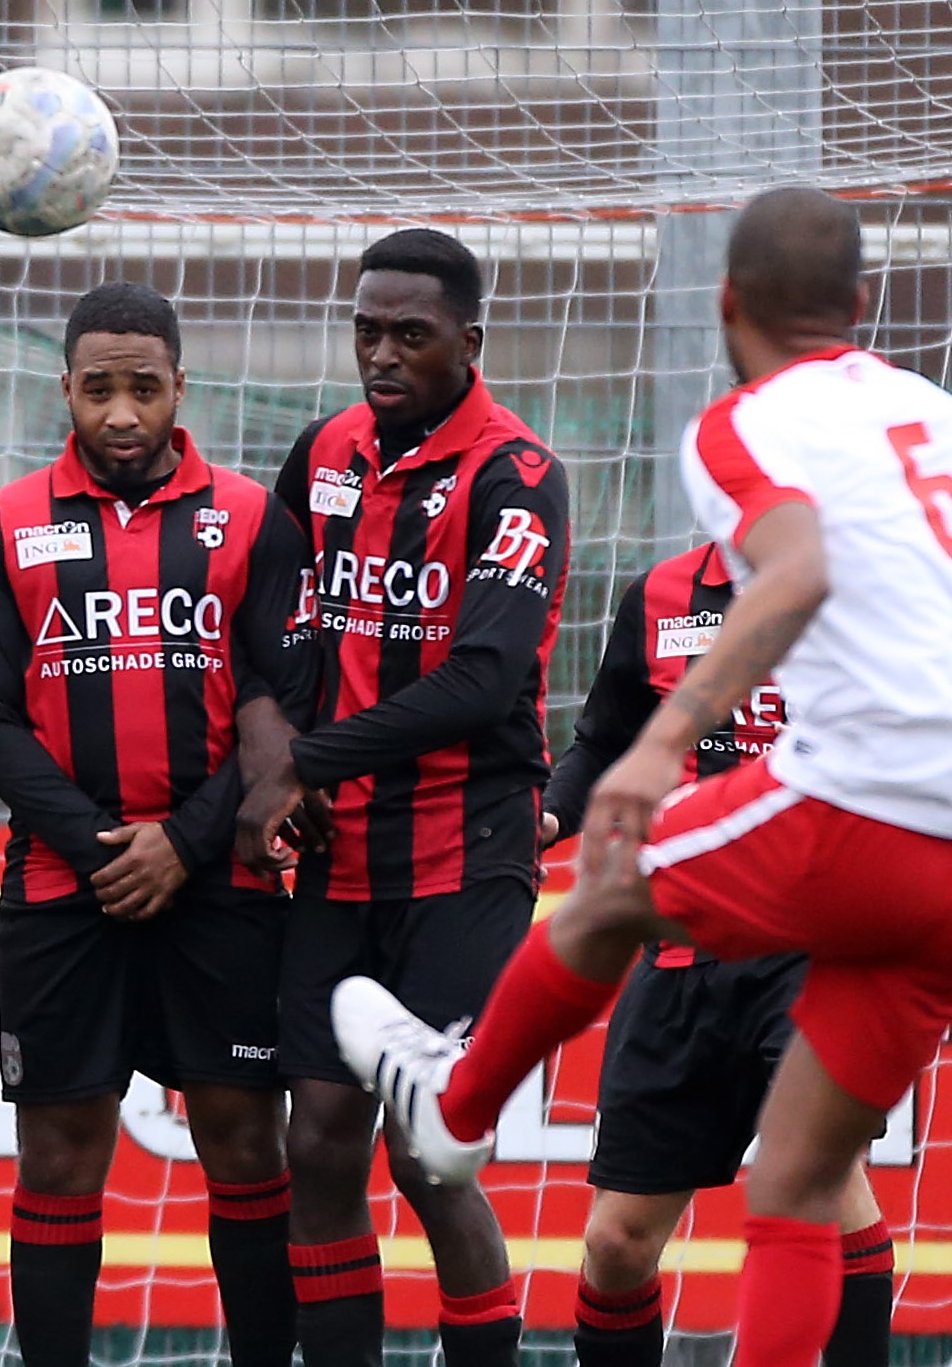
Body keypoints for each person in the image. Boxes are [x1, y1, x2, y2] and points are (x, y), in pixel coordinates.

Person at [340, 186, 950, 1367]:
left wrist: (663, 751)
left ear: (725, 306)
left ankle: (453, 1111)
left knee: (614, 888)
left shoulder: (744, 425)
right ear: (863, 306)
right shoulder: (931, 412)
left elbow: (794, 572)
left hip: (865, 802)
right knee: (793, 1181)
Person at [0, 283, 312, 1367]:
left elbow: (277, 713)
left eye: (141, 389)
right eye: (96, 389)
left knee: (244, 1139)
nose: (118, 414)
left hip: (223, 884)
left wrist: (183, 843)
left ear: (178, 390)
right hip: (67, 886)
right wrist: (105, 845)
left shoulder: (250, 520)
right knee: (59, 1152)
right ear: (64, 388)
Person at [252, 228, 571, 1367]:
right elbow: (278, 627)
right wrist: (277, 746)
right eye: (366, 332)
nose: (380, 356)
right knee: (321, 1141)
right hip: (340, 858)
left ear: (468, 342)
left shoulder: (517, 475)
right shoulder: (323, 450)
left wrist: (308, 763)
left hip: (463, 855)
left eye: (410, 335)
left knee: (430, 1154)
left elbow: (485, 680)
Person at [543, 543, 892, 1367]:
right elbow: (604, 740)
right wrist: (555, 813)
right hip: (682, 947)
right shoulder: (661, 592)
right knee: (617, 1242)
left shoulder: (876, 584)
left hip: (818, 950)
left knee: (819, 1184)